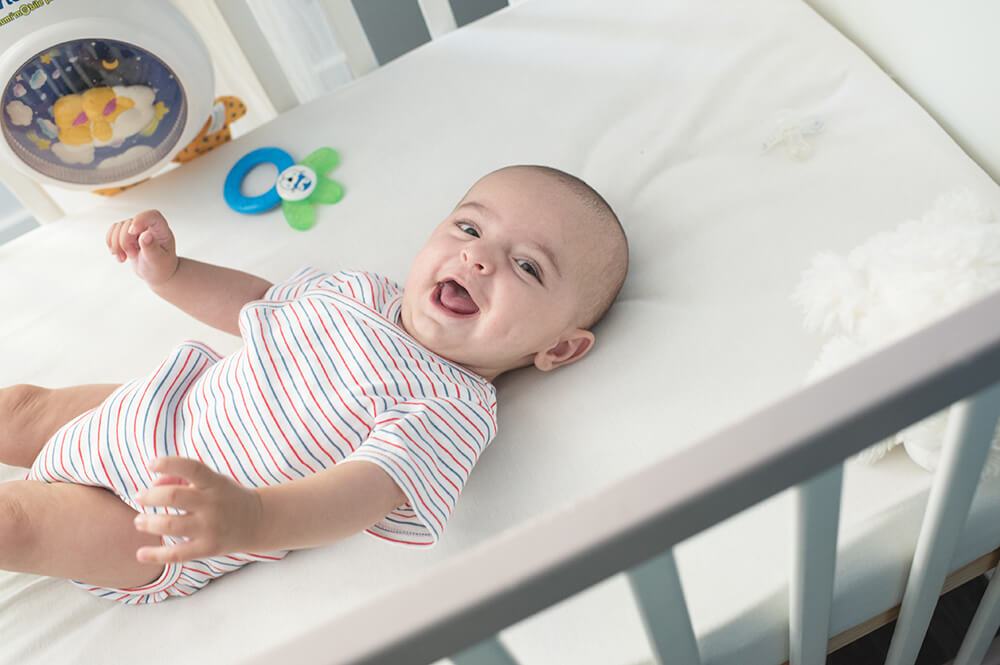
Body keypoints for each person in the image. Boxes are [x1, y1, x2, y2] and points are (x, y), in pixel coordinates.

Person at [0, 165, 629, 604]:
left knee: (18, 524)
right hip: (152, 407)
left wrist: (251, 517)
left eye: (526, 266)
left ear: (560, 347)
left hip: (159, 518)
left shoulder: (453, 406)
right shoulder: (356, 291)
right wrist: (171, 273)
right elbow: (254, 304)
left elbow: (366, 490)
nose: (479, 258)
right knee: (20, 407)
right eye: (468, 228)